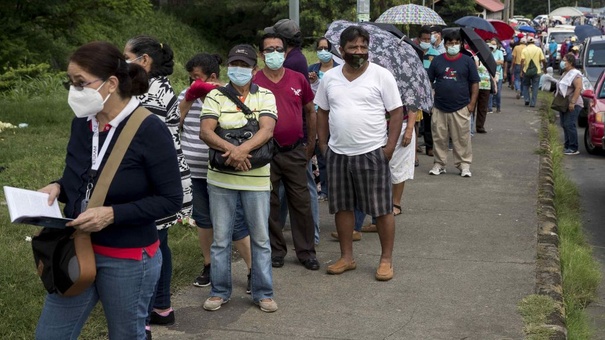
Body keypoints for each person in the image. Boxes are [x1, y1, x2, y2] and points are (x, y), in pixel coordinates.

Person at [36, 41, 183, 340]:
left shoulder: (149, 129)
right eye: (71, 83)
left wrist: (113, 215)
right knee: (50, 334)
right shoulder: (82, 124)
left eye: (80, 83)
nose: (74, 91)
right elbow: (84, 177)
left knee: (126, 335)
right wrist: (58, 187)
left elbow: (170, 200)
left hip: (127, 256)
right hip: (76, 248)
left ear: (111, 83)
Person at [315, 25, 404, 281]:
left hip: (372, 152)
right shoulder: (330, 77)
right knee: (342, 208)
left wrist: (388, 148)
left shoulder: (381, 75)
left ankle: (386, 260)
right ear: (341, 50)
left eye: (363, 47)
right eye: (353, 47)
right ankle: (346, 257)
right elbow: (322, 111)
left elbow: (397, 112)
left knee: (382, 209)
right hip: (338, 153)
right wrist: (323, 145)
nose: (359, 51)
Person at [200, 44, 278, 313]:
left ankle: (263, 292)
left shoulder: (266, 95)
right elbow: (206, 131)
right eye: (234, 65)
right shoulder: (215, 97)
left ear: (254, 70)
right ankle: (219, 291)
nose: (239, 70)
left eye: (245, 66)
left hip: (256, 179)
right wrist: (233, 150)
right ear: (227, 67)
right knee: (221, 239)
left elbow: (267, 130)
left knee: (260, 239)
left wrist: (240, 150)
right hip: (221, 178)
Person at [123, 35, 193, 329]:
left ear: (144, 60)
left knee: (150, 247)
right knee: (159, 244)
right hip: (167, 176)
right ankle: (162, 307)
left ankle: (149, 311)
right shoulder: (157, 89)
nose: (122, 61)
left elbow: (142, 143)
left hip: (156, 181)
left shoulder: (150, 95)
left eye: (126, 56)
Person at [176, 54, 253, 293]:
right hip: (194, 171)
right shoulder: (185, 95)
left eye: (197, 78)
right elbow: (174, 122)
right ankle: (209, 265)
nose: (193, 83)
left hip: (221, 169)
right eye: (190, 79)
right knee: (203, 221)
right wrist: (189, 98)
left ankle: (253, 270)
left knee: (236, 222)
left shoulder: (228, 95)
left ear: (212, 77)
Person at [253, 33, 320, 271]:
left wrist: (310, 143)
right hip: (265, 152)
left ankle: (306, 252)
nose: (274, 54)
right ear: (261, 55)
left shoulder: (298, 79)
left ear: (285, 52)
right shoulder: (254, 81)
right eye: (269, 50)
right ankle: (276, 251)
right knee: (269, 204)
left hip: (294, 151)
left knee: (301, 203)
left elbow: (310, 111)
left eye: (278, 49)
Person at [264, 19, 321, 246]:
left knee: (303, 192)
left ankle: (310, 237)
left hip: (296, 143)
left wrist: (310, 142)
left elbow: (307, 105)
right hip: (281, 144)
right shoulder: (294, 58)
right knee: (284, 192)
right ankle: (280, 237)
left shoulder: (294, 61)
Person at [427, 29, 479, 177]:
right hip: (439, 106)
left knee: (462, 138)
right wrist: (430, 101)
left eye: (456, 43)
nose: (453, 45)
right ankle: (439, 163)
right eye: (450, 43)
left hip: (461, 106)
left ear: (460, 44)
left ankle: (464, 165)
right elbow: (428, 81)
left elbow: (475, 83)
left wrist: (471, 104)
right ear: (445, 44)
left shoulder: (467, 61)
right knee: (439, 137)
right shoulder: (437, 60)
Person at [308, 37, 339, 203]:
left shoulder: (340, 70)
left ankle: (335, 188)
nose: (323, 52)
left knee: (335, 154)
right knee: (321, 154)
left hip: (334, 118)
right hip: (317, 117)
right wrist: (312, 82)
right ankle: (324, 189)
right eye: (319, 48)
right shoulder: (312, 69)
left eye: (326, 48)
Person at [417, 25, 441, 157]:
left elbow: (438, 74)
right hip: (415, 90)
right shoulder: (414, 52)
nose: (426, 42)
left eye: (428, 39)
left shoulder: (435, 54)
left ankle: (429, 146)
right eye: (424, 39)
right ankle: (414, 146)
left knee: (428, 119)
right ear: (418, 39)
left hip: (430, 90)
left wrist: (435, 89)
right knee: (414, 119)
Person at [557, 53, 583, 155]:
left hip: (574, 103)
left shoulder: (575, 74)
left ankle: (573, 147)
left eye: (564, 60)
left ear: (571, 62)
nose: (562, 62)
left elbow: (578, 88)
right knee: (564, 124)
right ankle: (567, 145)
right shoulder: (565, 73)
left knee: (569, 124)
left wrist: (572, 102)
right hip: (564, 103)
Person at [520, 36, 546, 107]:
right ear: (534, 42)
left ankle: (527, 99)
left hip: (526, 70)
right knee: (535, 87)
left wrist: (521, 71)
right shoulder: (538, 49)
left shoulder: (525, 50)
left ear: (527, 42)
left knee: (525, 85)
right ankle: (533, 103)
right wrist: (545, 69)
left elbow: (522, 61)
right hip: (537, 71)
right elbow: (543, 60)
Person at [488, 38, 504, 113]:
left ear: (497, 45)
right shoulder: (488, 52)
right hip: (490, 74)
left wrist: (493, 62)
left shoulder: (499, 52)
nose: (493, 46)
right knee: (490, 91)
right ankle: (489, 108)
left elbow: (501, 61)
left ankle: (498, 107)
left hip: (498, 75)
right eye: (491, 44)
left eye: (494, 44)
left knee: (498, 92)